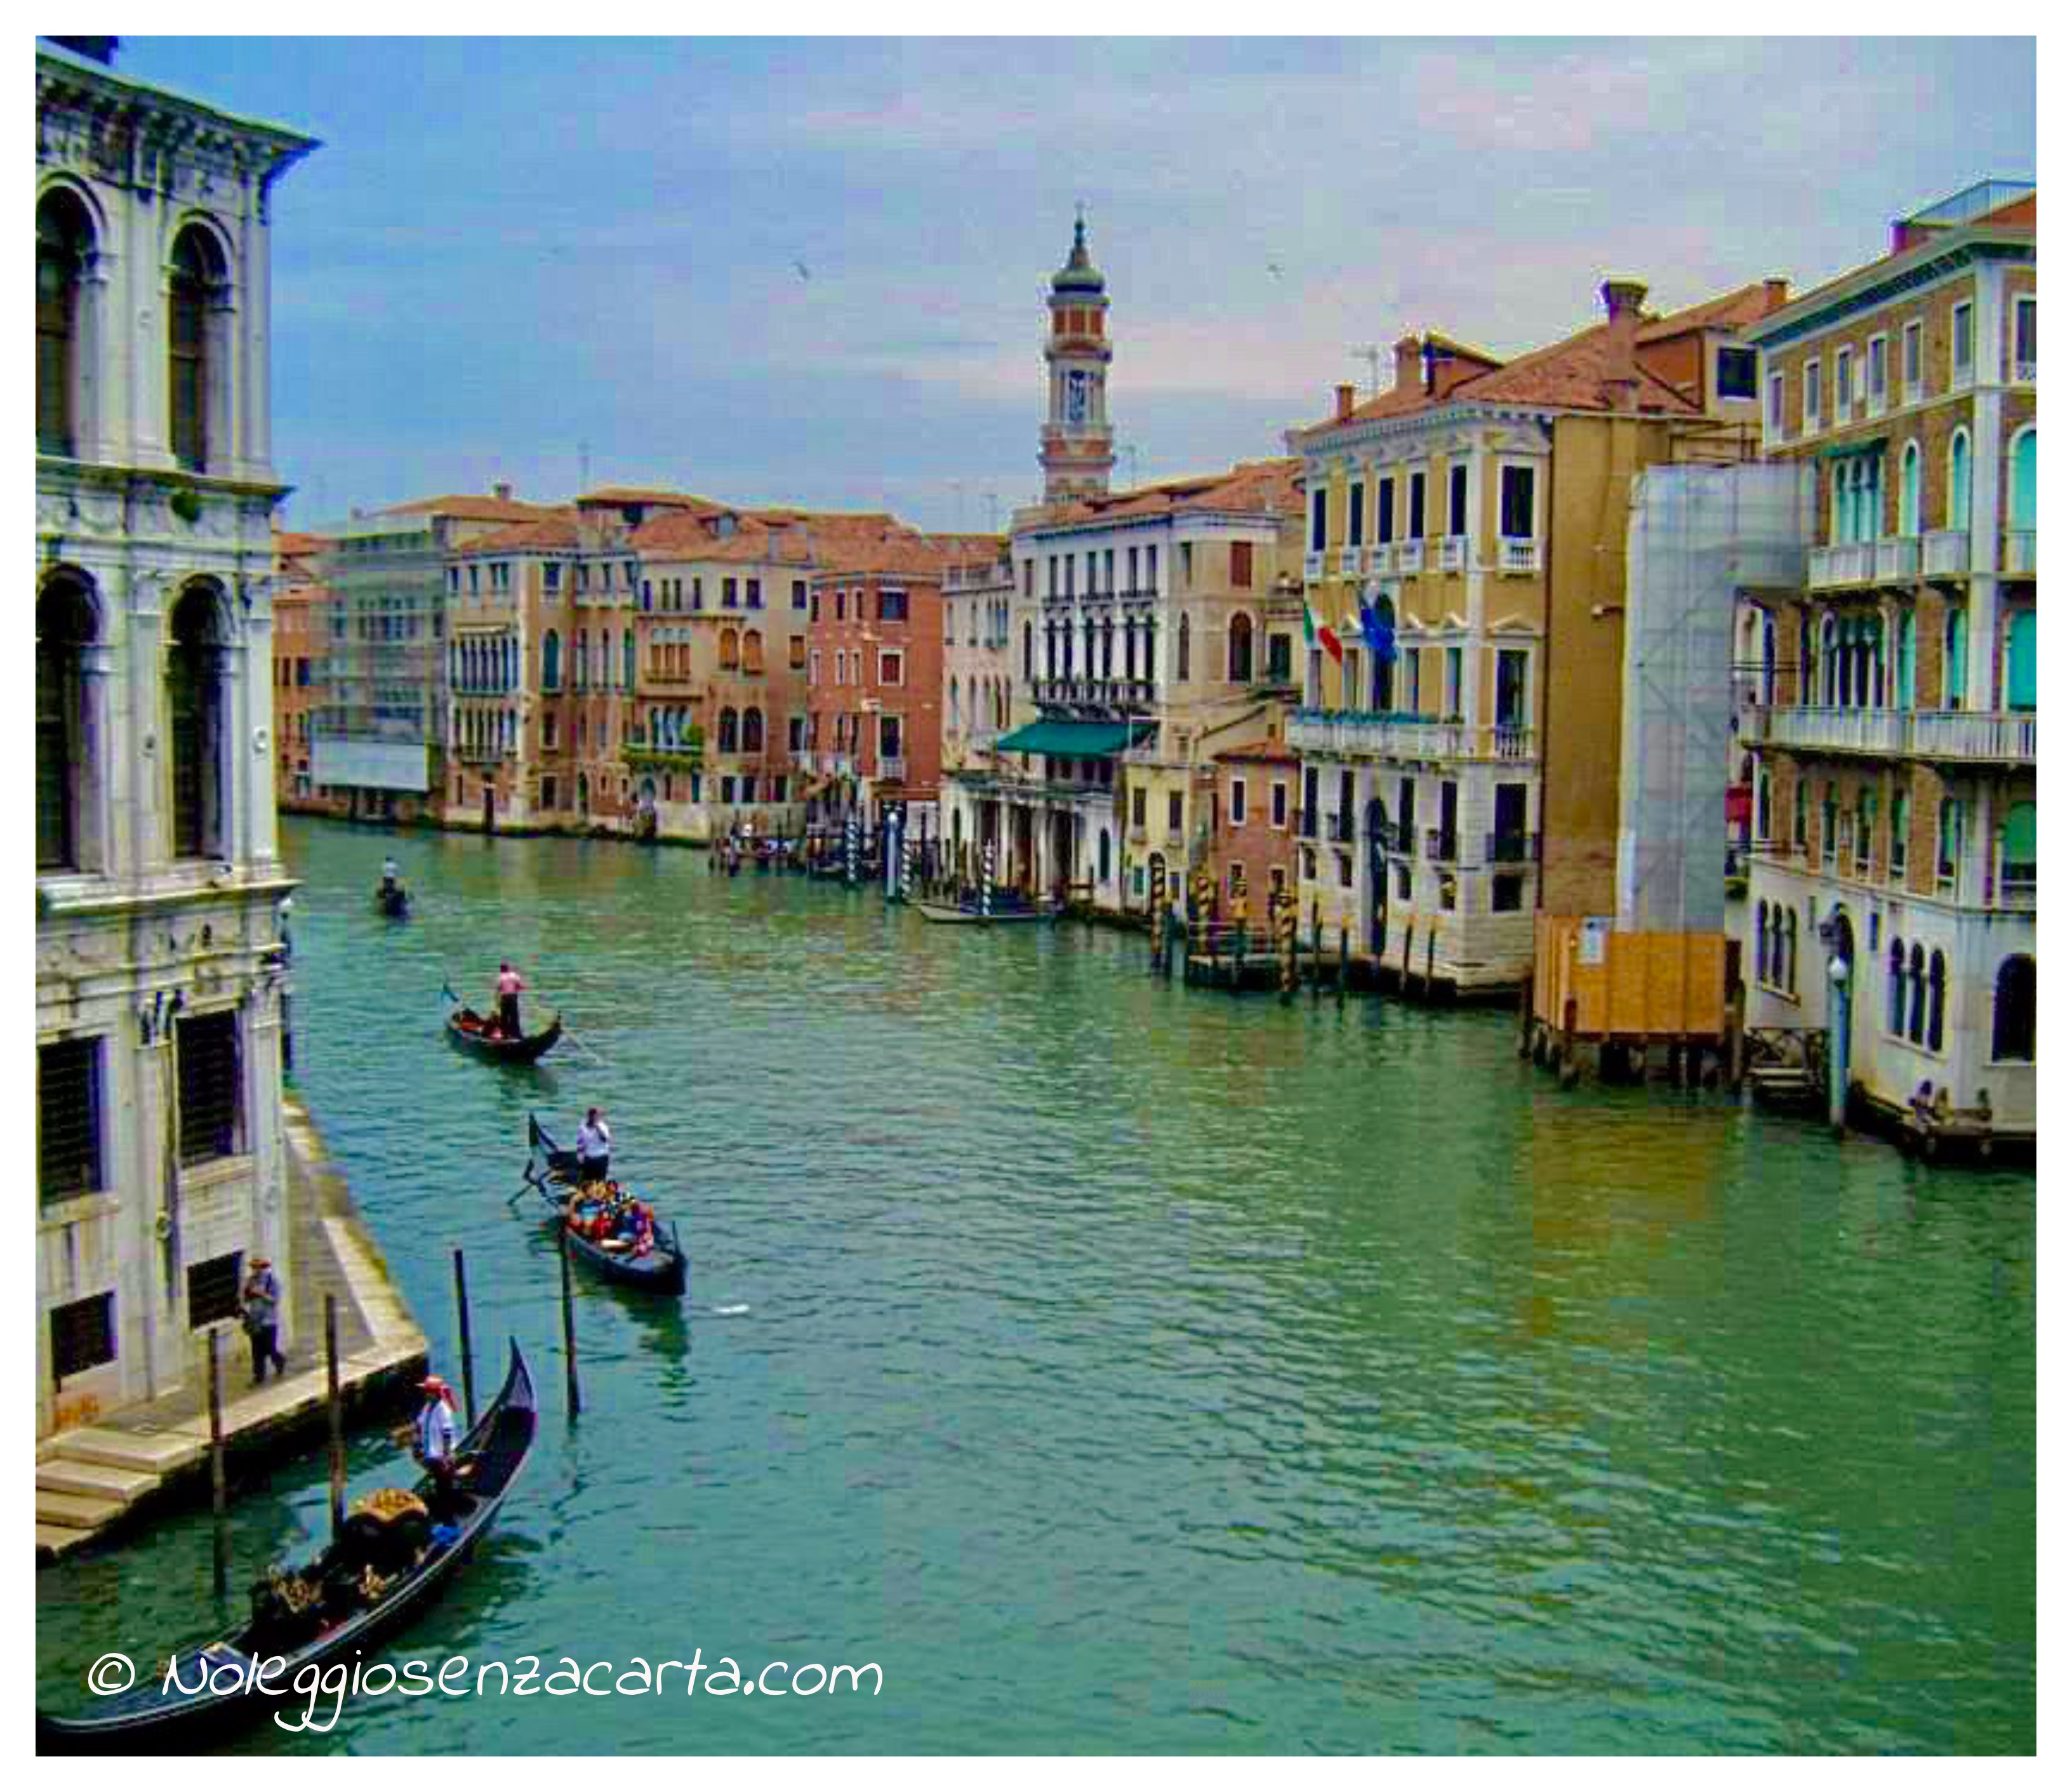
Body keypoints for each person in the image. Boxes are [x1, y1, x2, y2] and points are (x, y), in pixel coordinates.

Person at [412, 1374, 463, 1511]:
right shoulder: (428, 1407)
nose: (424, 1393)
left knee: (444, 1490)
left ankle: (449, 1523)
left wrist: (446, 1457)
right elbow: (419, 1425)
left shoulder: (443, 1410)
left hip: (441, 1458)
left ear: (433, 1394)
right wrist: (416, 1447)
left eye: (426, 1391)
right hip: (431, 1457)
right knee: (439, 1488)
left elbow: (447, 1433)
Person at [241, 1257, 288, 1384]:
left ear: (263, 1268)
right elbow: (246, 1300)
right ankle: (258, 1377)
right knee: (256, 1351)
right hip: (255, 1320)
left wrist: (262, 1294)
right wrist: (246, 1295)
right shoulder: (250, 1281)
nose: (255, 1270)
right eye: (253, 1267)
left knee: (270, 1348)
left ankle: (280, 1360)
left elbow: (275, 1300)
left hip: (269, 1321)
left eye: (258, 1267)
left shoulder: (271, 1281)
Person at [574, 1107, 612, 1185]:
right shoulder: (582, 1127)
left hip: (601, 1159)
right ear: (589, 1116)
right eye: (592, 1115)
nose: (594, 1118)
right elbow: (580, 1143)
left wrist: (597, 1128)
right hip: (588, 1159)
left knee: (600, 1182)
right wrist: (580, 1158)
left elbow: (605, 1140)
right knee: (588, 1182)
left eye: (597, 1116)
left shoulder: (603, 1127)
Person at [495, 962, 525, 1037]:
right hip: (513, 997)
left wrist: (498, 1000)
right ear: (508, 969)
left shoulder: (501, 976)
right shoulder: (515, 975)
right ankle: (517, 1034)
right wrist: (518, 989)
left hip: (505, 998)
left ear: (501, 970)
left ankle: (504, 1034)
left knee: (504, 1016)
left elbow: (499, 988)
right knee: (514, 1016)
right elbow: (520, 986)